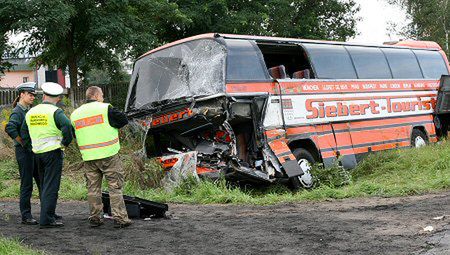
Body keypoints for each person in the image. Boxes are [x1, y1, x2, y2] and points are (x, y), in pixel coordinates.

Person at [70, 86, 132, 228]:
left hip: (89, 157)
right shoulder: (105, 108)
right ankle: (120, 218)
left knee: (93, 189)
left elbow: (74, 134)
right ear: (97, 96)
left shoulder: (75, 114)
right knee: (115, 187)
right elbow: (123, 120)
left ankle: (95, 217)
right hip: (108, 154)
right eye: (102, 95)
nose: (103, 98)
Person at [21, 82, 73, 228]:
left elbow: (24, 132)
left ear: (43, 96)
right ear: (58, 98)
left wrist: (31, 146)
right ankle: (47, 219)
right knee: (51, 187)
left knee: (44, 185)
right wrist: (65, 142)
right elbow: (67, 126)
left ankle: (47, 213)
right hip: (53, 152)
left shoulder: (31, 112)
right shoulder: (56, 112)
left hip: (37, 153)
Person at [5, 82, 40, 225]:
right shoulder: (18, 111)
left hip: (32, 151)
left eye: (33, 95)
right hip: (24, 152)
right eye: (30, 95)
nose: (33, 97)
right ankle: (26, 216)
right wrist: (22, 142)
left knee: (41, 182)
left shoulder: (27, 110)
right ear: (21, 95)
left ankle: (48, 213)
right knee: (27, 185)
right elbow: (10, 128)